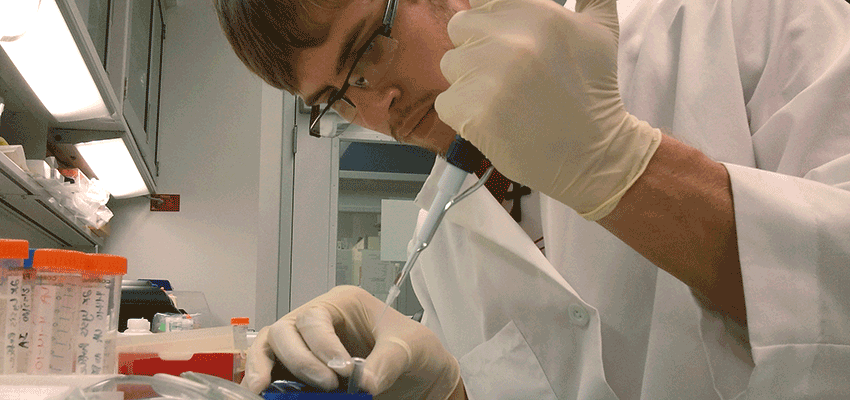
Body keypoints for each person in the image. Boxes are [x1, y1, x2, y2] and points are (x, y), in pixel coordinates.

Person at [216, 0, 850, 397]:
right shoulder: (440, 235)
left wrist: (626, 168)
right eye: (333, 99)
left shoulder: (731, 19)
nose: (376, 107)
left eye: (366, 51)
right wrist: (447, 390)